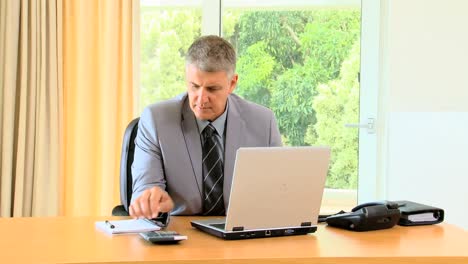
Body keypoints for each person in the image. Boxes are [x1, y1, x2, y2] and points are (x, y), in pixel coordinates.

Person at [129, 35, 282, 219]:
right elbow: (145, 187)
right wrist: (151, 201)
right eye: (194, 86)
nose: (201, 99)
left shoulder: (263, 122)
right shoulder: (156, 120)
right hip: (180, 235)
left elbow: (278, 193)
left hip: (240, 236)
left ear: (232, 83)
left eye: (212, 89)